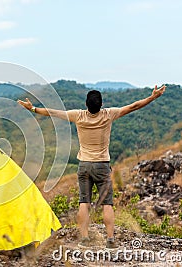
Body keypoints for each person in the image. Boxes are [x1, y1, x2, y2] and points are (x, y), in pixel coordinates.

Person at [17, 84, 166, 249]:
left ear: (86, 104)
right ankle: (110, 240)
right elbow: (133, 106)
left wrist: (33, 109)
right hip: (102, 165)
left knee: (84, 202)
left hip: (84, 165)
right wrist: (153, 97)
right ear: (101, 104)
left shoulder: (78, 116)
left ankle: (84, 239)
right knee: (107, 203)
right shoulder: (109, 115)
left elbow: (53, 113)